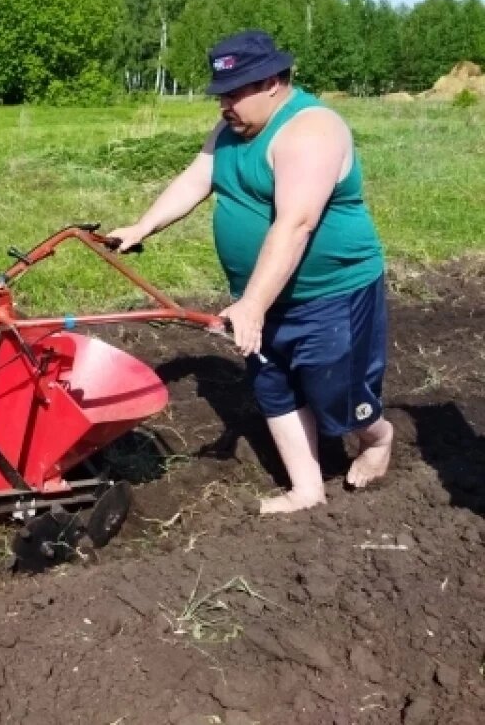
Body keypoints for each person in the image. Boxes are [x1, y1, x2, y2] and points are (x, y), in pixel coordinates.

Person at [107, 29, 394, 515]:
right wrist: (143, 226)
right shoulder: (228, 132)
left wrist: (253, 305)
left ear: (275, 82)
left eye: (236, 92)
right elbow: (196, 179)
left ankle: (378, 437)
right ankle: (307, 490)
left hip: (332, 294)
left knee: (336, 397)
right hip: (260, 293)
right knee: (273, 385)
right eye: (221, 94)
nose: (226, 105)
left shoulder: (310, 130)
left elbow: (297, 223)